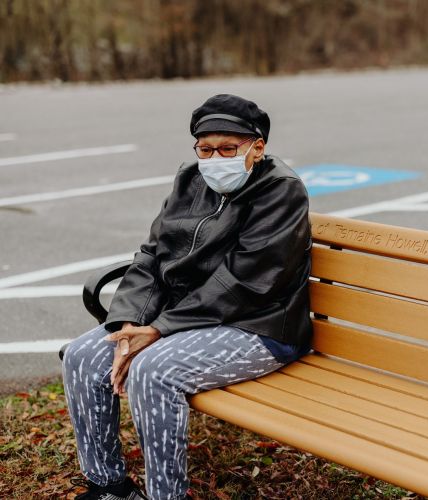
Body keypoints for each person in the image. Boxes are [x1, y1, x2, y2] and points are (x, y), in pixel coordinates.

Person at [62, 94, 313, 500]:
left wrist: (159, 329)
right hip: (186, 318)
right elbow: (152, 254)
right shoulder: (189, 180)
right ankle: (109, 487)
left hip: (260, 325)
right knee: (82, 356)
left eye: (228, 149)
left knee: (153, 371)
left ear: (257, 148)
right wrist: (130, 322)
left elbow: (245, 283)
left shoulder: (281, 191)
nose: (215, 159)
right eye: (205, 149)